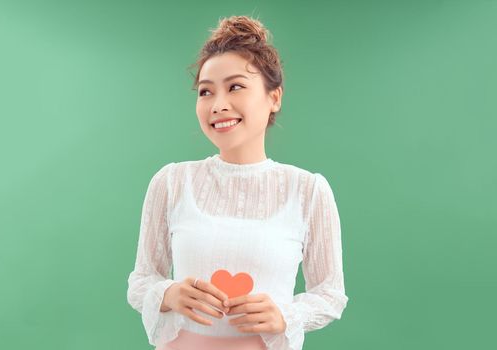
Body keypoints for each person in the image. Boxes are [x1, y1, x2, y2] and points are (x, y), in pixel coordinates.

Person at [127, 15, 348, 350]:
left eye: (235, 87)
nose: (218, 105)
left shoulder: (308, 190)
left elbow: (330, 295)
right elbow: (141, 282)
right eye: (205, 92)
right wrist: (169, 293)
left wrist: (286, 316)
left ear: (274, 97)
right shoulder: (172, 182)